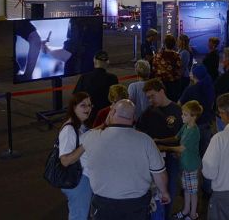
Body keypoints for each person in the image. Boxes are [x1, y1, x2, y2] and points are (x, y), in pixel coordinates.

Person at [82, 99, 169, 220]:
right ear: (133, 117)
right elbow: (160, 174)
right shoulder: (146, 141)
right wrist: (164, 193)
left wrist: (105, 123)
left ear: (111, 113)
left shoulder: (91, 137)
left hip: (103, 205)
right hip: (136, 205)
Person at [137, 79, 183, 219]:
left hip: (171, 158)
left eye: (152, 96)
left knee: (169, 190)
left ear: (161, 91)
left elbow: (183, 137)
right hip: (151, 160)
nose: (150, 100)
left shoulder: (177, 111)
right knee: (153, 193)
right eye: (148, 97)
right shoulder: (147, 113)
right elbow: (139, 134)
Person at [156, 100, 203, 220]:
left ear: (194, 116)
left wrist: (164, 147)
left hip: (192, 166)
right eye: (182, 113)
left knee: (193, 191)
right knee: (186, 190)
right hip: (185, 165)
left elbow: (181, 149)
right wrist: (159, 140)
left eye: (185, 114)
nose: (181, 116)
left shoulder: (193, 131)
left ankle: (193, 214)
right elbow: (176, 137)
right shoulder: (186, 126)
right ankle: (186, 210)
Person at [59, 92, 93, 220]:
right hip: (78, 180)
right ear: (73, 107)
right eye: (83, 105)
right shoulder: (69, 129)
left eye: (89, 105)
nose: (87, 109)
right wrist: (85, 145)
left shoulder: (80, 125)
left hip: (83, 178)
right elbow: (65, 161)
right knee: (79, 216)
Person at [73, 50, 118, 124]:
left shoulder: (84, 77)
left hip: (88, 118)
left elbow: (76, 97)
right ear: (107, 62)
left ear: (94, 60)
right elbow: (116, 99)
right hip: (105, 118)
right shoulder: (113, 78)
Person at [153, 35, 183, 102]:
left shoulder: (158, 55)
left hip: (160, 83)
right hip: (173, 84)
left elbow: (154, 68)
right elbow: (179, 69)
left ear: (164, 44)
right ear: (174, 44)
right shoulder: (177, 56)